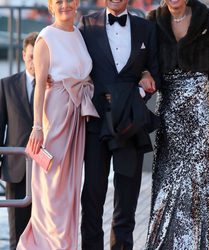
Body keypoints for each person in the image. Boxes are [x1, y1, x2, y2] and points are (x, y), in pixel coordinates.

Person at [145, 0, 209, 249]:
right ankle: (164, 242)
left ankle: (195, 243)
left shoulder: (207, 17)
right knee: (168, 176)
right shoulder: (153, 20)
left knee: (198, 176)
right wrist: (144, 76)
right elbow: (147, 61)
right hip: (169, 107)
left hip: (200, 107)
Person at [17, 0, 98, 249]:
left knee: (71, 189)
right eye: (59, 1)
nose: (65, 5)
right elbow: (40, 85)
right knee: (53, 191)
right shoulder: (46, 37)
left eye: (70, 0)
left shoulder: (79, 34)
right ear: (52, 6)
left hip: (77, 117)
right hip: (55, 117)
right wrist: (38, 127)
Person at [78, 0, 160, 249]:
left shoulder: (145, 28)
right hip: (97, 123)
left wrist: (139, 94)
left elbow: (155, 70)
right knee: (92, 198)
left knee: (126, 202)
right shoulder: (86, 24)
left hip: (130, 124)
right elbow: (74, 63)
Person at [0, 32, 38, 250]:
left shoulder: (54, 88)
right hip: (15, 171)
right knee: (17, 235)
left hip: (46, 172)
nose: (34, 62)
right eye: (31, 57)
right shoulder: (6, 85)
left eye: (39, 57)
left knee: (43, 234)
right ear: (24, 55)